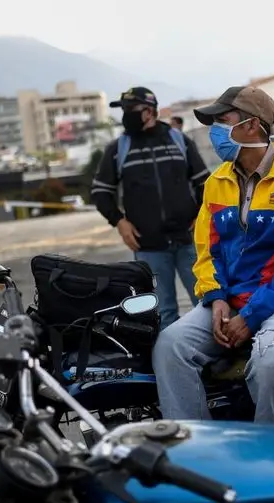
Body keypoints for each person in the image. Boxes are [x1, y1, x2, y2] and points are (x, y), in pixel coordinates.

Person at [152, 86, 274, 424]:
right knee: (170, 345)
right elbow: (208, 250)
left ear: (252, 125)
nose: (215, 131)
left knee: (269, 363)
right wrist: (216, 297)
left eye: (222, 120)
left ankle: (272, 448)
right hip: (232, 299)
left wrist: (251, 316)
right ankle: (198, 445)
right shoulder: (216, 182)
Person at [91, 86, 211, 328]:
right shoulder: (118, 148)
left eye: (129, 109)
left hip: (189, 242)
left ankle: (212, 351)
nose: (125, 115)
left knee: (206, 303)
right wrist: (119, 221)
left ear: (148, 111)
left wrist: (201, 216)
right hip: (148, 247)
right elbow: (100, 192)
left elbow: (205, 184)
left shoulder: (179, 141)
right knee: (162, 314)